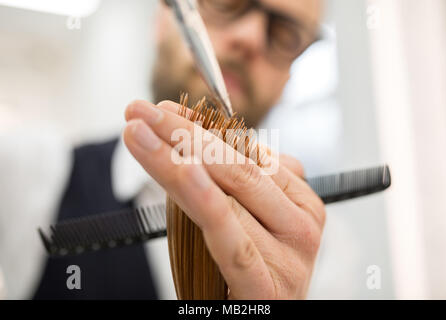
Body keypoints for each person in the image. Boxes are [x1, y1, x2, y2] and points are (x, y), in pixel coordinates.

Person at [0, 0, 325, 299]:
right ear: (163, 16)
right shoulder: (31, 174)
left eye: (285, 32)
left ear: (287, 79)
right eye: (227, 2)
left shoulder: (321, 253)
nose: (249, 37)